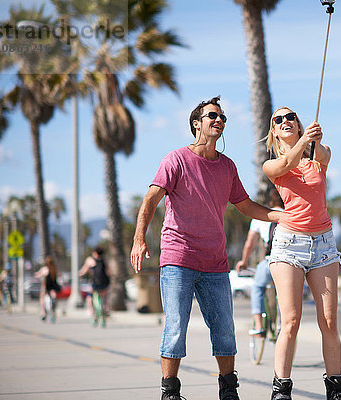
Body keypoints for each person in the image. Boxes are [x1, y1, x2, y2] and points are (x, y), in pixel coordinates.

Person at [130, 96, 281, 400]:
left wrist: (282, 216)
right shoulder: (175, 160)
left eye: (223, 118)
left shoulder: (227, 167)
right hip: (178, 258)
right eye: (213, 116)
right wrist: (139, 239)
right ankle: (170, 392)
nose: (219, 121)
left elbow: (246, 206)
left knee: (224, 330)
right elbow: (150, 200)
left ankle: (228, 390)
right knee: (175, 329)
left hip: (215, 262)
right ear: (196, 124)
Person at [263, 107, 341, 400]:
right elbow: (287, 162)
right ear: (273, 131)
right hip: (289, 246)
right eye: (278, 120)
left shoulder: (317, 159)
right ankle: (281, 390)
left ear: (299, 126)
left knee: (329, 321)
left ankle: (336, 389)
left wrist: (316, 142)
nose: (285, 121)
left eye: (291, 118)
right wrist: (303, 143)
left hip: (324, 245)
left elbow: (324, 154)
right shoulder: (272, 165)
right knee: (291, 321)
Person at [235, 189, 284, 335]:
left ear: (270, 202)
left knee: (257, 287)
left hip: (269, 261)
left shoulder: (261, 216)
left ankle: (258, 325)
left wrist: (244, 261)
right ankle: (284, 323)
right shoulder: (290, 215)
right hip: (287, 263)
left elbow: (250, 243)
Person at [79, 246, 110, 326]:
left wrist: (79, 274)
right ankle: (106, 310)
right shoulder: (104, 260)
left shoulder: (90, 260)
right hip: (104, 284)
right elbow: (108, 272)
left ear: (94, 253)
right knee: (105, 297)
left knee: (89, 299)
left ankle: (93, 315)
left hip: (94, 284)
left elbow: (84, 271)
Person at [34, 256, 61, 322]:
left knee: (42, 299)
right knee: (53, 297)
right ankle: (53, 311)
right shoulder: (54, 269)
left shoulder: (45, 269)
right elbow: (59, 275)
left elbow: (37, 275)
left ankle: (43, 313)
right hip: (53, 286)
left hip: (46, 287)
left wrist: (37, 274)